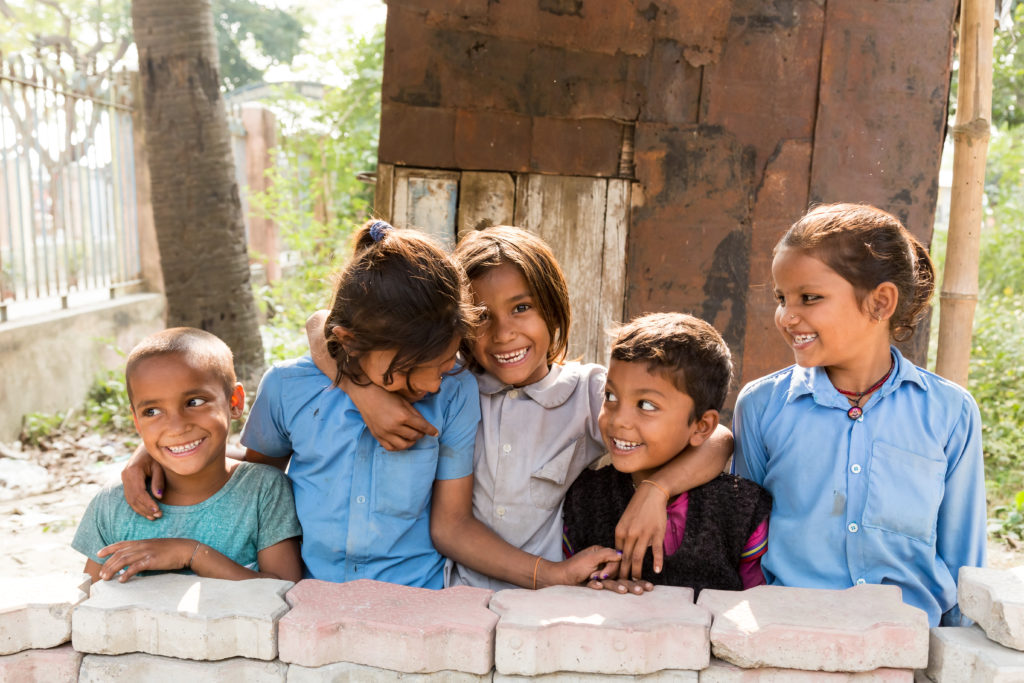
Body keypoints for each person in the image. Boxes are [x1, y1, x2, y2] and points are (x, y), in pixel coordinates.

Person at [123, 220, 619, 589]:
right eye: (411, 370)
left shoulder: (456, 389)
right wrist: (166, 447)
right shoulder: (289, 388)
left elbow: (450, 524)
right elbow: (258, 483)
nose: (431, 382)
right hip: (311, 596)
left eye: (445, 362)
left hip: (422, 597)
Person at [308, 225, 732, 592]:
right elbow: (320, 323)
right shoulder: (444, 385)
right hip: (455, 596)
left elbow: (718, 439)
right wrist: (366, 394)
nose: (503, 333)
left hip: (546, 604)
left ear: (553, 306)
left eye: (521, 308)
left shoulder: (590, 395)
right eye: (482, 317)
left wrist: (657, 490)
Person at [732, 203, 986, 627]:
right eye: (781, 298)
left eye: (809, 298)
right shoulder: (761, 407)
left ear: (880, 302)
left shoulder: (950, 413)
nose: (787, 316)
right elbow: (744, 542)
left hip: (910, 642)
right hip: (790, 635)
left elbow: (965, 562)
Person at [562, 313, 771, 595]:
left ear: (702, 426)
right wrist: (592, 590)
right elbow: (568, 593)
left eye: (646, 405)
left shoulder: (741, 510)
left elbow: (759, 606)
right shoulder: (584, 499)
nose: (618, 419)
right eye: (610, 396)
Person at [72, 328, 302, 583]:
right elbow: (91, 597)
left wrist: (192, 554)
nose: (177, 427)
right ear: (136, 421)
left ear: (234, 402)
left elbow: (284, 591)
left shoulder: (264, 491)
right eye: (152, 411)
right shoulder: (113, 504)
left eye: (194, 402)